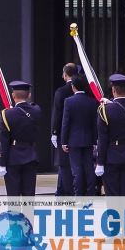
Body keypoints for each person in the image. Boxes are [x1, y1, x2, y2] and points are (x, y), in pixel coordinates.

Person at [96, 74, 125, 196]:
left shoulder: (104, 110)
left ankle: (114, 216)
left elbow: (102, 139)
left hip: (111, 156)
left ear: (113, 90)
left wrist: (100, 162)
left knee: (112, 194)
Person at [0, 81, 41, 196]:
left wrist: (2, 163)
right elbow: (34, 106)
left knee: (13, 195)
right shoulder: (36, 111)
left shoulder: (6, 114)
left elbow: (4, 140)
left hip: (13, 157)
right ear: (29, 95)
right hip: (31, 155)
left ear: (13, 96)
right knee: (29, 194)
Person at [61, 76, 98, 196]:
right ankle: (91, 193)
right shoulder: (92, 101)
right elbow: (94, 123)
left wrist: (64, 141)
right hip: (88, 138)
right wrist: (94, 140)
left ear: (73, 87)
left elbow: (66, 123)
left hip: (73, 139)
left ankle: (78, 194)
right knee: (89, 168)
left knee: (76, 170)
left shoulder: (69, 101)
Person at [51, 64, 78, 195]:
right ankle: (61, 189)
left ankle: (64, 191)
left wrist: (54, 132)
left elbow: (57, 114)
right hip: (80, 132)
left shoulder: (61, 91)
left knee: (65, 164)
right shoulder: (86, 89)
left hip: (64, 132)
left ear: (65, 74)